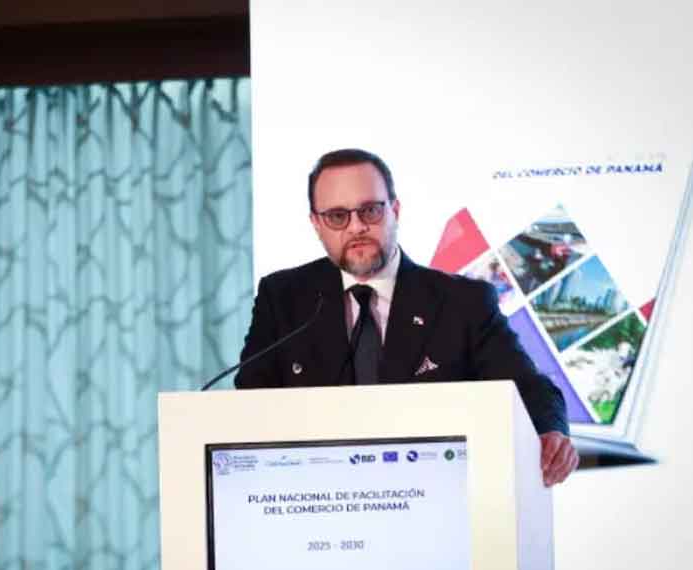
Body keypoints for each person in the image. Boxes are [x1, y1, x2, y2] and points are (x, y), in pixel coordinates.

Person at [235, 148, 578, 486]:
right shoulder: (283, 298)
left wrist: (550, 431)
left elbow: (528, 387)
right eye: (337, 216)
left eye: (370, 211)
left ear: (395, 211)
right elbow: (249, 406)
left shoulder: (463, 302)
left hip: (431, 495)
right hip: (314, 496)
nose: (356, 227)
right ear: (316, 224)